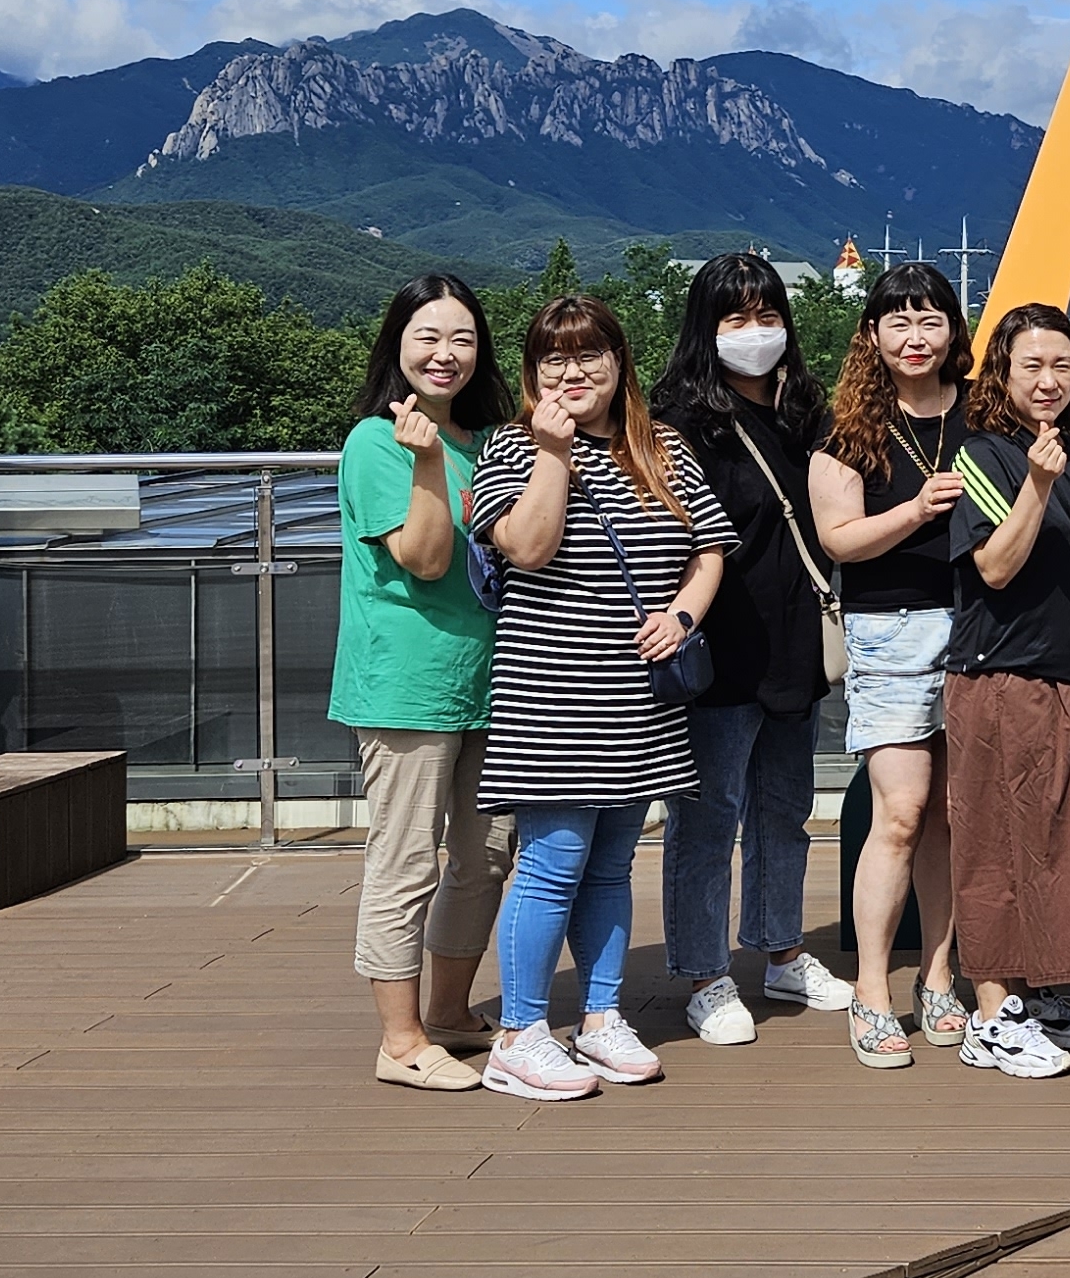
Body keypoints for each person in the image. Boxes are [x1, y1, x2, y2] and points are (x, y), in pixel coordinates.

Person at [461, 294, 735, 1102]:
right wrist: (554, 453)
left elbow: (711, 549)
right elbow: (529, 549)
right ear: (532, 373)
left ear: (620, 365)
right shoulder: (509, 449)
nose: (573, 372)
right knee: (552, 861)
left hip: (638, 695)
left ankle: (602, 1015)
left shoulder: (663, 450)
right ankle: (518, 1032)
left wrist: (683, 615)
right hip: (551, 692)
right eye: (554, 359)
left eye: (589, 356)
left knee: (614, 862)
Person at [651, 254, 854, 1048]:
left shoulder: (807, 409)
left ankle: (780, 949)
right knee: (706, 819)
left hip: (795, 643)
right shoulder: (675, 421)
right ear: (705, 327)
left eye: (768, 316)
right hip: (714, 647)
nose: (755, 333)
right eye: (735, 318)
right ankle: (704, 972)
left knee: (784, 811)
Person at [334, 274, 510, 1090]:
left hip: (489, 677)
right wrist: (430, 462)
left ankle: (447, 1012)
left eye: (462, 339)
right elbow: (428, 557)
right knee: (408, 861)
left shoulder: (487, 435)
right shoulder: (379, 441)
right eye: (427, 338)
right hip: (406, 682)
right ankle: (398, 1041)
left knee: (486, 856)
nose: (445, 355)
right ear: (395, 345)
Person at [940, 301, 1070, 1081]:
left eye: (1061, 364)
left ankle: (1033, 993)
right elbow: (995, 567)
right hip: (998, 676)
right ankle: (989, 1011)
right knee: (997, 848)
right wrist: (1038, 488)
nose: (1049, 380)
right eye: (1031, 366)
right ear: (1003, 375)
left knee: (1054, 845)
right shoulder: (982, 454)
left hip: (1065, 680)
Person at [807, 261, 969, 1070]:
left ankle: (939, 974)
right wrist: (913, 510)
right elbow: (839, 541)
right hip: (894, 629)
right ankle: (873, 985)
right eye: (898, 322)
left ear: (952, 330)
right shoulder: (849, 434)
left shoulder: (985, 416)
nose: (916, 336)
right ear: (872, 335)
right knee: (901, 813)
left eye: (930, 319)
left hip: (980, 627)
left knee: (951, 816)